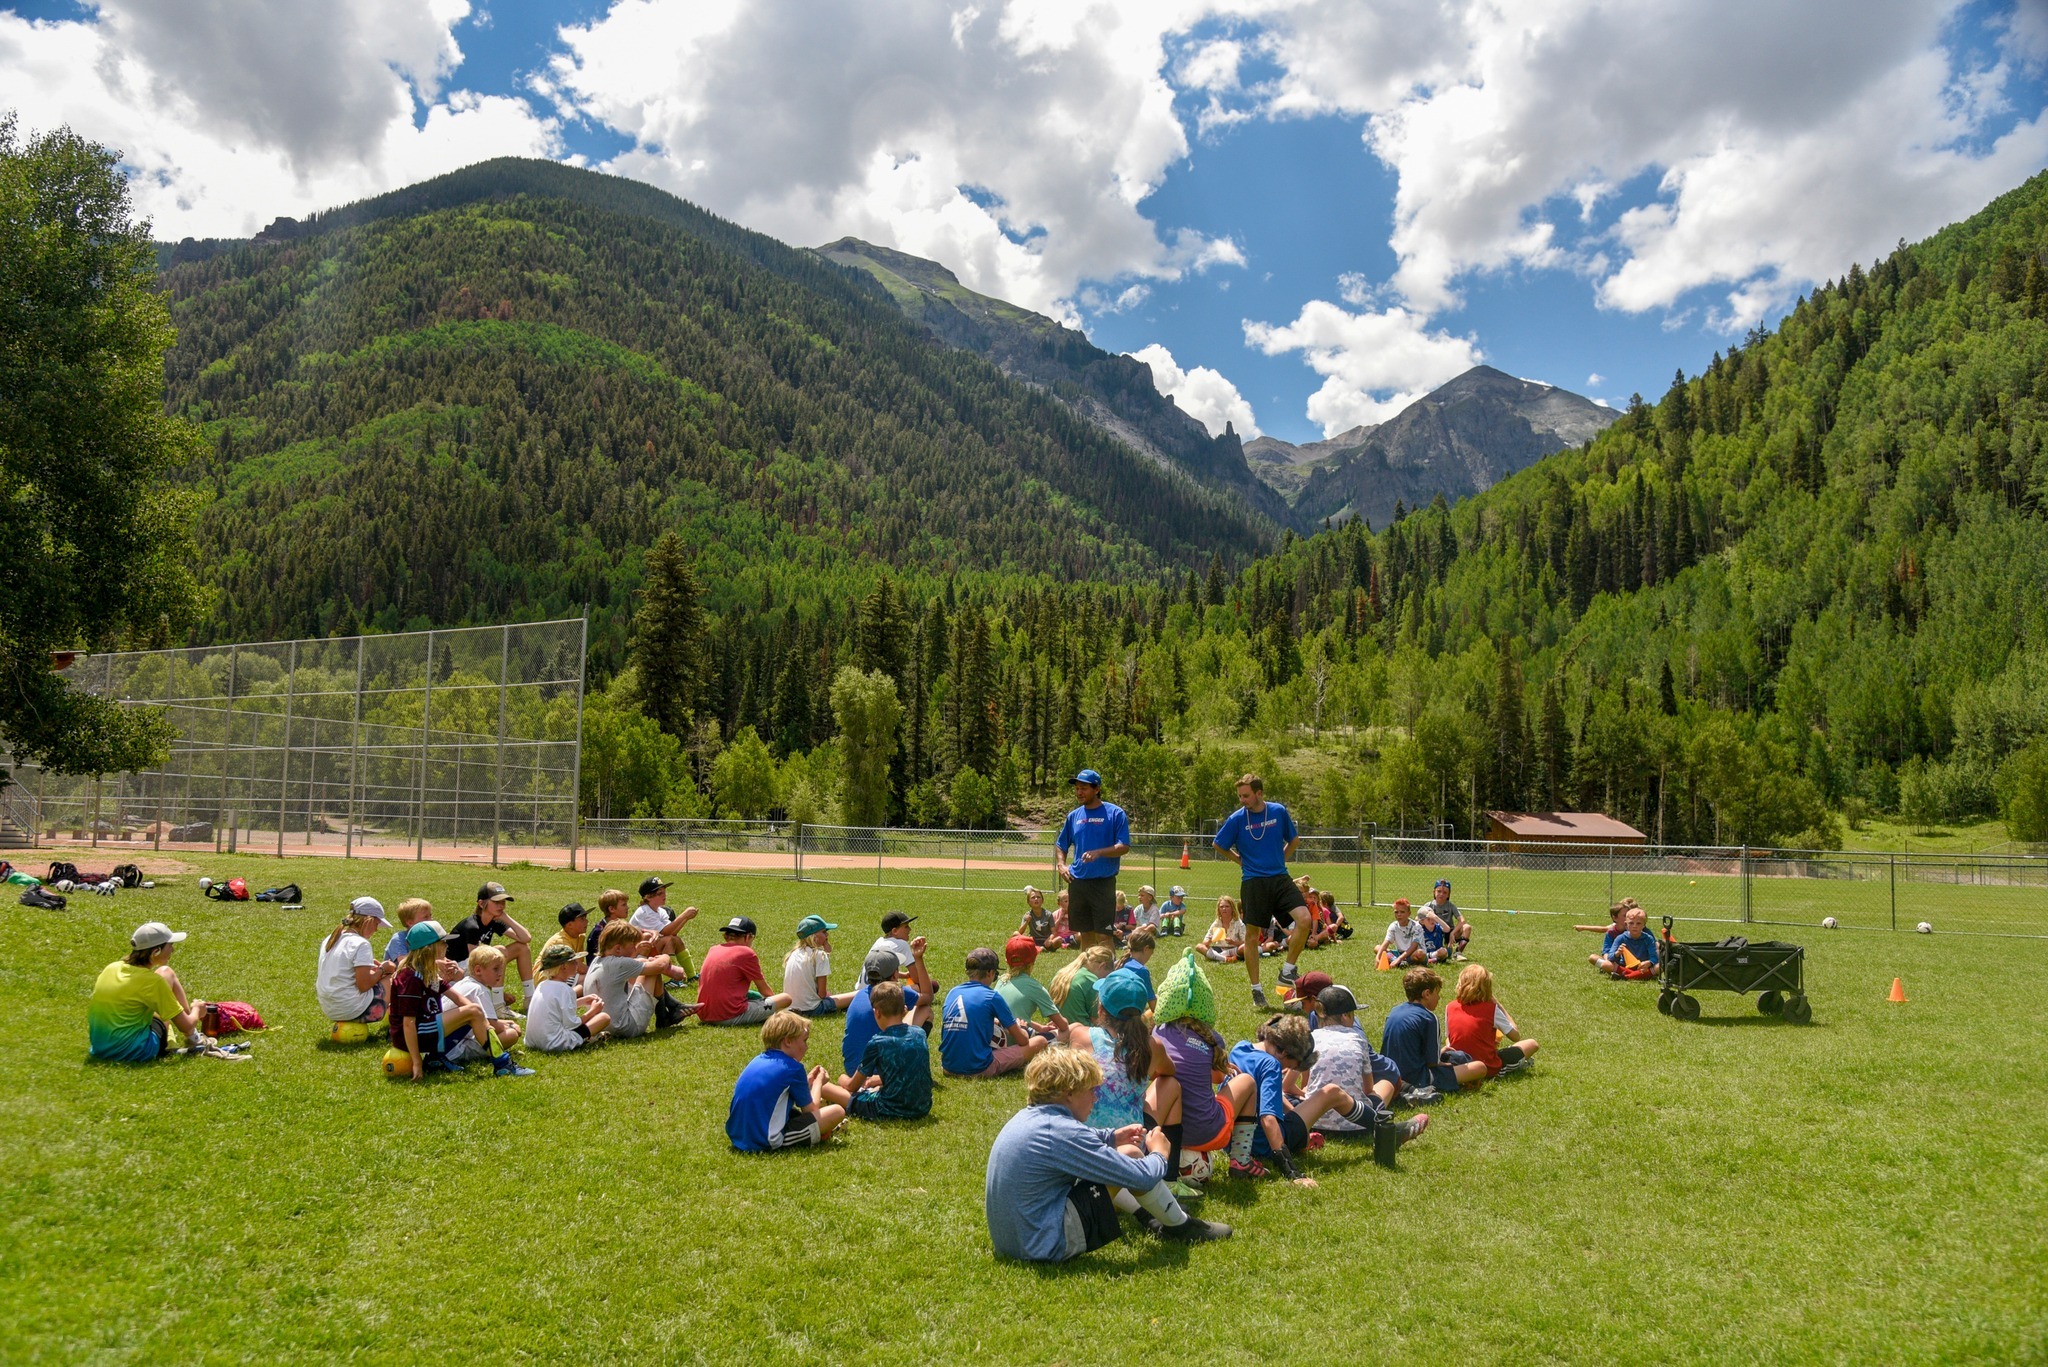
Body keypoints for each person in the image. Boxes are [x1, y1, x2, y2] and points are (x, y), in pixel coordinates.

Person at [984, 1046, 1231, 1261]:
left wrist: (1111, 1137)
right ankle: (1182, 1226)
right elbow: (1141, 1177)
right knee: (1132, 1156)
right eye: (1091, 1090)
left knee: (1123, 1151)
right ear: (1068, 1093)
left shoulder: (1034, 1119)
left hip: (1015, 1241)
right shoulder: (1062, 1132)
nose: (1094, 1098)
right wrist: (1160, 1154)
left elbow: (1071, 1144)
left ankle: (1153, 1218)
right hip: (1043, 1244)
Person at [1146, 949, 1259, 1191]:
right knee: (1247, 1081)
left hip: (1164, 1134)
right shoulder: (1212, 1038)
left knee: (1166, 1083)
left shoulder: (1158, 1032)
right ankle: (1241, 1159)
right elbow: (1218, 1077)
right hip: (1208, 1131)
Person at [1228, 1014, 1375, 1186]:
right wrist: (1292, 1172)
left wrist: (1297, 1117)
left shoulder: (1240, 1049)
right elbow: (1268, 1119)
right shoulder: (1271, 1064)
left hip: (1235, 1143)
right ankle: (1383, 1129)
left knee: (1298, 1110)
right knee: (1332, 1092)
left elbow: (1263, 1095)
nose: (1286, 1069)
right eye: (1290, 1065)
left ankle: (1304, 1136)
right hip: (1263, 1144)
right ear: (1283, 1052)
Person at [1212, 773, 1309, 1010]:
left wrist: (1280, 859)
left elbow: (1294, 840)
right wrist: (1240, 861)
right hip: (1253, 881)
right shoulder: (1237, 819)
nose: (1242, 800)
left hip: (1280, 878)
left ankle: (1287, 971)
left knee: (1304, 920)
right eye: (1240, 796)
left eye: (1246, 795)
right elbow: (1218, 844)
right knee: (1252, 936)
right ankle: (1256, 989)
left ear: (1259, 793)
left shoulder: (1277, 811)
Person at [1308, 983, 1427, 1167]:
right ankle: (1387, 1126)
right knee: (1386, 1083)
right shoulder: (1357, 1039)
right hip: (1357, 1126)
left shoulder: (1312, 1038)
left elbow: (1305, 1085)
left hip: (1315, 1123)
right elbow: (1368, 1088)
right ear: (1346, 1016)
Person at [390, 920, 512, 1079]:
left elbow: (458, 998)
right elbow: (408, 1023)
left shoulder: (428, 971)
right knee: (473, 1011)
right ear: (429, 948)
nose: (447, 946)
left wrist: (482, 1021)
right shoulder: (411, 978)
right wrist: (416, 1062)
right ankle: (503, 1064)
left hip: (426, 1028)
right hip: (411, 1036)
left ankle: (435, 1058)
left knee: (473, 1010)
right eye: (443, 943)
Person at [727, 1010, 850, 1152]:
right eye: (804, 1040)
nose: (806, 1046)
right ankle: (821, 1132)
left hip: (738, 1134)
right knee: (837, 1112)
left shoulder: (758, 1059)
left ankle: (820, 1130)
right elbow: (811, 1111)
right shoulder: (793, 1068)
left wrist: (806, 1083)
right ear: (788, 1041)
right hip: (764, 1139)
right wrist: (818, 1084)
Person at [89, 921, 212, 1062]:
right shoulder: (153, 983)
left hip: (99, 1049)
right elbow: (186, 1025)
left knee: (166, 972)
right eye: (170, 945)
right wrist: (197, 1009)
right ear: (156, 952)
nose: (172, 950)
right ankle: (194, 1038)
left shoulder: (111, 968)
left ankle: (193, 1037)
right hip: (135, 1052)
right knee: (170, 1012)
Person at [1381, 966, 1490, 1102]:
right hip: (1418, 1078)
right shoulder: (1429, 1018)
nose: (1439, 997)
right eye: (1437, 993)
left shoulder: (1394, 1011)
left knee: (1453, 1056)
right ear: (1427, 994)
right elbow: (1432, 1063)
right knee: (1479, 1067)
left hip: (1390, 1074)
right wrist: (1446, 1064)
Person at [942, 947, 1050, 1078]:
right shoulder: (992, 996)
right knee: (1040, 1042)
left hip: (948, 1067)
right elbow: (1022, 1040)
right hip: (979, 1069)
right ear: (990, 972)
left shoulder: (952, 992)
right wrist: (1022, 1028)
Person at [1055, 767, 1131, 952]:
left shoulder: (1115, 814)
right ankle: (1087, 976)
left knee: (1105, 936)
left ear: (1096, 789)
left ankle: (1109, 978)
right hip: (1078, 882)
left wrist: (1099, 852)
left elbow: (1124, 846)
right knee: (1085, 935)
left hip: (1102, 884)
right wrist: (1061, 864)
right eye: (1077, 788)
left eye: (1084, 788)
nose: (1079, 792)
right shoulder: (1073, 816)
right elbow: (1061, 845)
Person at [585, 921, 692, 1039]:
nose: (634, 949)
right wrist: (665, 957)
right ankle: (664, 1017)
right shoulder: (619, 964)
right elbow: (659, 966)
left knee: (647, 968)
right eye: (632, 946)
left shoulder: (597, 961)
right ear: (618, 949)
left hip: (601, 1025)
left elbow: (636, 964)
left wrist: (646, 959)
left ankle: (670, 1010)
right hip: (626, 1028)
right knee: (652, 972)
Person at [845, 981, 933, 1121]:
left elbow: (852, 1085)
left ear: (877, 1012)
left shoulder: (877, 1042)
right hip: (923, 1107)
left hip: (887, 1109)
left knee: (835, 1085)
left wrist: (843, 1081)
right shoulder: (919, 1033)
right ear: (904, 1009)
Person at [840, 949, 930, 1083]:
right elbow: (928, 996)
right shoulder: (898, 993)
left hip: (853, 1069)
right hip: (883, 1070)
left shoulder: (859, 995)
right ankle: (910, 1057)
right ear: (895, 975)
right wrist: (918, 959)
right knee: (925, 1010)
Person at [317, 896, 396, 1037]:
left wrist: (375, 971)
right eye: (377, 924)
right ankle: (398, 1027)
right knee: (393, 979)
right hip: (351, 1009)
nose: (376, 930)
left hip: (330, 1008)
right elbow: (364, 985)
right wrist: (384, 969)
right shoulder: (361, 944)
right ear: (369, 920)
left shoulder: (331, 938)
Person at [449, 882, 535, 1009]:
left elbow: (525, 938)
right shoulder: (472, 926)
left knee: (522, 948)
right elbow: (476, 963)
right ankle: (498, 1004)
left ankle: (530, 998)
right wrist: (496, 991)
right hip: (457, 973)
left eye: (503, 902)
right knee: (499, 951)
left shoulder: (494, 921)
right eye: (496, 902)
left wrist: (506, 918)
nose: (501, 906)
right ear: (481, 903)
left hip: (474, 967)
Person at [444, 946, 529, 1069]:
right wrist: (511, 1026)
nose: (500, 973)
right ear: (478, 970)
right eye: (495, 969)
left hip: (443, 1044)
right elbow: (491, 1025)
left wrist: (505, 1022)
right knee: (511, 1034)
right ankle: (495, 1057)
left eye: (501, 968)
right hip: (455, 1049)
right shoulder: (479, 990)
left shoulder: (465, 983)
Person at [698, 916, 793, 1026]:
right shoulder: (746, 953)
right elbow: (763, 988)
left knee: (754, 995)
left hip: (704, 1014)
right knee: (786, 998)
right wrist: (776, 1004)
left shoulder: (713, 949)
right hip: (728, 1016)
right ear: (748, 937)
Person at [1448, 964, 1539, 1075]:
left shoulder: (1450, 1007)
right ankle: (1520, 1064)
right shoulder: (1491, 1009)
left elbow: (1450, 1041)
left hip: (1460, 1065)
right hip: (1488, 1067)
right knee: (1532, 1044)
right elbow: (1515, 1036)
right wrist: (1499, 1005)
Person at [526, 943, 610, 1053]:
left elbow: (557, 1007)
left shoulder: (542, 985)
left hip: (532, 1041)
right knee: (604, 1017)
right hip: (555, 1043)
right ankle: (586, 1039)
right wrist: (593, 1011)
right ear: (563, 967)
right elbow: (571, 1024)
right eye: (573, 962)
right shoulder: (565, 989)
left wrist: (581, 1001)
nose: (577, 964)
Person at [783, 915, 857, 1016]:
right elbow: (822, 994)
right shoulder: (819, 955)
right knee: (858, 994)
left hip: (791, 1008)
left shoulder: (793, 953)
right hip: (812, 1009)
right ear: (814, 936)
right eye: (824, 932)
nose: (827, 935)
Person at [997, 935, 1068, 1035]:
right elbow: (1063, 1025)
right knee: (1069, 1032)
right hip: (1019, 1042)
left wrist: (1040, 1027)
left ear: (1007, 961)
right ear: (1033, 961)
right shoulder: (1035, 988)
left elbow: (1014, 1016)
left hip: (998, 1039)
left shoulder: (1002, 980)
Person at [629, 876, 699, 976]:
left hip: (651, 947)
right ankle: (668, 979)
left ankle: (691, 974)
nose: (664, 895)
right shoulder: (645, 912)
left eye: (664, 892)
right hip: (637, 953)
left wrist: (686, 919)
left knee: (676, 939)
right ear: (648, 897)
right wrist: (683, 915)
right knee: (669, 940)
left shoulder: (660, 910)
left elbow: (673, 932)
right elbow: (666, 932)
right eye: (659, 893)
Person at [868, 911, 937, 1001]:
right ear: (895, 931)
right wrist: (918, 958)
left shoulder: (879, 941)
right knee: (933, 985)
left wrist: (904, 975)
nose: (910, 929)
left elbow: (880, 971)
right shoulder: (902, 944)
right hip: (881, 992)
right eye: (906, 926)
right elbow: (917, 979)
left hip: (864, 989)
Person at [1048, 944, 1114, 1027]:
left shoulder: (1063, 973)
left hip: (1058, 1027)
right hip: (1081, 1030)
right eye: (1106, 976)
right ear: (1102, 966)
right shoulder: (1092, 980)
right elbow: (1096, 1019)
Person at [1595, 907, 1661, 978]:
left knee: (1660, 966)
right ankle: (1638, 976)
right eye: (1631, 923)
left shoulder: (1648, 938)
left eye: (1638, 923)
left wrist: (1649, 962)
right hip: (1625, 966)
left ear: (1644, 925)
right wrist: (1617, 953)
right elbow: (1610, 957)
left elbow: (1654, 957)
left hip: (1642, 967)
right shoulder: (1620, 938)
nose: (1634, 926)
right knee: (1605, 964)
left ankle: (1626, 977)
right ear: (1626, 925)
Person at [1109, 925, 1159, 1006]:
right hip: (1127, 1015)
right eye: (1151, 953)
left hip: (1109, 1010)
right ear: (1146, 949)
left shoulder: (1119, 963)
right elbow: (1153, 1005)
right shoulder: (1141, 970)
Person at [1425, 878, 1471, 960]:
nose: (1441, 894)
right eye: (1439, 891)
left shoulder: (1450, 906)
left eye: (1445, 892)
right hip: (1435, 932)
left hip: (1449, 932)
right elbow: (1418, 918)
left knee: (1467, 927)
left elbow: (1462, 920)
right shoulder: (1429, 905)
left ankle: (1458, 953)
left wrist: (1452, 933)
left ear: (1448, 895)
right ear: (1434, 892)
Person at [586, 888, 634, 962]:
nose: (627, 907)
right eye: (624, 905)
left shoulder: (621, 926)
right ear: (611, 909)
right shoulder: (600, 931)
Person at [1379, 899, 1429, 968]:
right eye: (1396, 912)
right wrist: (1377, 958)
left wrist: (1399, 959)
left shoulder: (1416, 926)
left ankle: (1399, 961)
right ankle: (1400, 962)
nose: (1399, 914)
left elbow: (1414, 946)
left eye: (1402, 912)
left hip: (1413, 954)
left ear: (1409, 913)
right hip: (1401, 953)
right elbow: (1385, 943)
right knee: (1378, 948)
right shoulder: (1393, 926)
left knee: (1420, 953)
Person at [1199, 895, 1247, 963]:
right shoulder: (1216, 923)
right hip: (1220, 948)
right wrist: (1210, 940)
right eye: (1221, 907)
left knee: (1245, 947)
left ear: (1232, 908)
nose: (1224, 909)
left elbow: (1245, 942)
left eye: (1227, 906)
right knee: (1199, 947)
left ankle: (1216, 956)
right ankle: (1225, 959)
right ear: (1218, 909)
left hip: (1234, 949)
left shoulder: (1238, 923)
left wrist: (1233, 942)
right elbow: (1204, 942)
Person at [382, 898, 431, 964]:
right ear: (410, 922)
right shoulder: (399, 938)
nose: (431, 920)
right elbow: (404, 964)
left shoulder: (429, 937)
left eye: (430, 916)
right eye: (426, 917)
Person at [541, 902, 589, 967]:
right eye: (582, 919)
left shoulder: (580, 937)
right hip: (547, 975)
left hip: (565, 972)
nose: (587, 921)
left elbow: (579, 963)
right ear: (570, 925)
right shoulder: (561, 942)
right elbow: (578, 967)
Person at [1017, 886, 1060, 951]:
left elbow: (1053, 932)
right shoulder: (1027, 915)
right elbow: (1020, 932)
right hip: (1033, 940)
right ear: (1028, 902)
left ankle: (1040, 949)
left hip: (1045, 940)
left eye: (1038, 897)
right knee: (1016, 935)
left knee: (1059, 940)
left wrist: (1049, 939)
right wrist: (1026, 922)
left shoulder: (1048, 914)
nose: (1036, 899)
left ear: (1042, 900)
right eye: (1033, 898)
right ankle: (1038, 948)